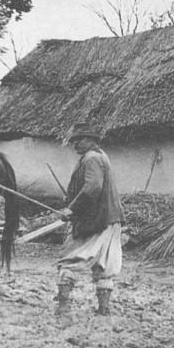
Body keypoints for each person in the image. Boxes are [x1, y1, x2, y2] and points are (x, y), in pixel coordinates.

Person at [56, 122, 124, 318]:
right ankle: (104, 309)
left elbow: (93, 187)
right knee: (104, 264)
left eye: (77, 141)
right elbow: (93, 187)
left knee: (70, 259)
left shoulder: (91, 158)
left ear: (89, 140)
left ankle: (63, 307)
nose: (74, 145)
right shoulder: (101, 156)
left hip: (94, 221)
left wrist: (72, 208)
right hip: (110, 219)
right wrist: (71, 198)